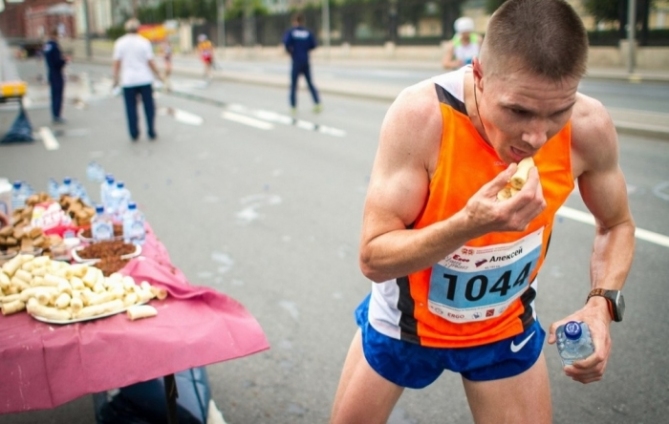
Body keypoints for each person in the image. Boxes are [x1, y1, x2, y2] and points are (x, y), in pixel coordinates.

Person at [330, 1, 635, 423]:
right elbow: (374, 258)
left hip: (503, 328)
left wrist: (601, 303)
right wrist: (467, 225)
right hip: (404, 325)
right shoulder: (423, 115)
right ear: (478, 75)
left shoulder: (588, 126)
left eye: (557, 112)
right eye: (518, 111)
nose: (536, 136)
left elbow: (616, 224)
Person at [112, 18, 162, 141]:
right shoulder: (144, 42)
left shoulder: (120, 43)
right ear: (138, 29)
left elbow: (117, 63)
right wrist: (158, 74)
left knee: (131, 108)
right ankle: (151, 130)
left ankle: (134, 133)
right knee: (149, 107)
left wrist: (115, 79)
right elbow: (150, 61)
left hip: (128, 80)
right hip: (144, 79)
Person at [282, 13, 321, 115]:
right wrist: (305, 49)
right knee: (310, 83)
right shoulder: (307, 32)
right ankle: (317, 103)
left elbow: (286, 44)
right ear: (303, 21)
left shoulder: (292, 32)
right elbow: (314, 45)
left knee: (294, 85)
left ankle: (293, 106)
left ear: (295, 21)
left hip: (296, 61)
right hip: (306, 60)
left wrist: (291, 52)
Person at [43, 28, 67, 124]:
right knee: (58, 95)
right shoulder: (55, 46)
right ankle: (57, 115)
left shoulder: (47, 46)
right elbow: (58, 61)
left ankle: (54, 114)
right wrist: (64, 60)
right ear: (55, 35)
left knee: (53, 95)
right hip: (57, 73)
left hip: (50, 72)